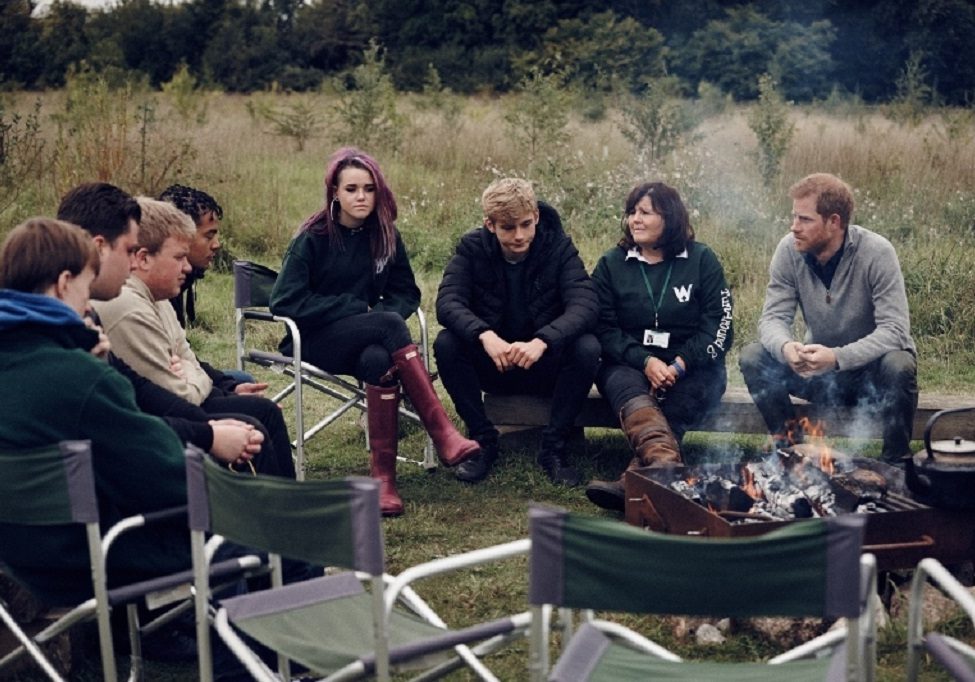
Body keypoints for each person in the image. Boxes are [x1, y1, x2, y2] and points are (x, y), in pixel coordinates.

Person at [0, 217, 238, 604]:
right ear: (63, 284)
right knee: (238, 536)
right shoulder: (80, 377)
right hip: (91, 558)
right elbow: (167, 474)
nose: (88, 304)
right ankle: (236, 656)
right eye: (85, 289)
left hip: (16, 555)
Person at [268, 147, 479, 516]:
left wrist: (381, 315)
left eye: (368, 188)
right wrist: (357, 310)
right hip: (312, 339)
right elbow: (284, 302)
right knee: (389, 326)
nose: (361, 196)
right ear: (334, 191)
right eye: (351, 189)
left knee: (379, 357)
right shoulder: (312, 238)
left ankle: (384, 482)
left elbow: (406, 292)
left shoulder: (385, 235)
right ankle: (443, 433)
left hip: (366, 338)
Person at [57, 182, 265, 468]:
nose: (134, 265)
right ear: (100, 249)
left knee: (249, 420)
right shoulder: (57, 338)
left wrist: (211, 426)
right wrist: (208, 434)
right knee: (249, 427)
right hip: (108, 484)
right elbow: (128, 422)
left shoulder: (82, 320)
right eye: (130, 250)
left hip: (120, 460)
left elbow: (139, 387)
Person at [91, 196, 295, 478]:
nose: (187, 267)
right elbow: (177, 395)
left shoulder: (158, 297)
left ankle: (285, 508)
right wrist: (196, 384)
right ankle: (269, 513)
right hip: (154, 431)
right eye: (178, 257)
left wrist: (195, 374)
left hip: (169, 410)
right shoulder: (128, 306)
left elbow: (187, 358)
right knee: (255, 422)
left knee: (261, 410)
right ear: (143, 258)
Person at [739, 172, 917, 463]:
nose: (793, 227)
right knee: (753, 356)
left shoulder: (877, 252)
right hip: (818, 375)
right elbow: (771, 319)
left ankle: (895, 463)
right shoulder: (789, 250)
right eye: (793, 217)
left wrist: (836, 357)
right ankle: (791, 452)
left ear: (834, 222)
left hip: (869, 377)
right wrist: (786, 348)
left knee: (899, 364)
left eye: (804, 219)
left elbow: (895, 330)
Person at [434, 178, 600, 485]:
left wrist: (543, 341)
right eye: (508, 228)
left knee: (587, 347)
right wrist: (485, 336)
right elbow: (447, 302)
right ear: (490, 224)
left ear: (536, 216)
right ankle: (483, 442)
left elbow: (586, 304)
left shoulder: (559, 248)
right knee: (447, 343)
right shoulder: (471, 248)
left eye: (526, 224)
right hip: (494, 363)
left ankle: (554, 448)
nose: (520, 235)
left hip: (543, 365)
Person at [585, 181, 734, 511]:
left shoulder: (702, 260)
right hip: (630, 362)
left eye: (645, 213)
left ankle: (633, 481)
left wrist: (680, 363)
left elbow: (719, 327)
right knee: (627, 386)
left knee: (684, 396)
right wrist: (645, 361)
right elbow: (603, 327)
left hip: (693, 366)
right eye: (632, 213)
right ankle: (666, 473)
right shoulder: (612, 263)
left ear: (669, 217)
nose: (634, 220)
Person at [158, 183, 223, 328]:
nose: (216, 244)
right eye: (208, 236)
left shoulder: (178, 278)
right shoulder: (158, 287)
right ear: (181, 234)